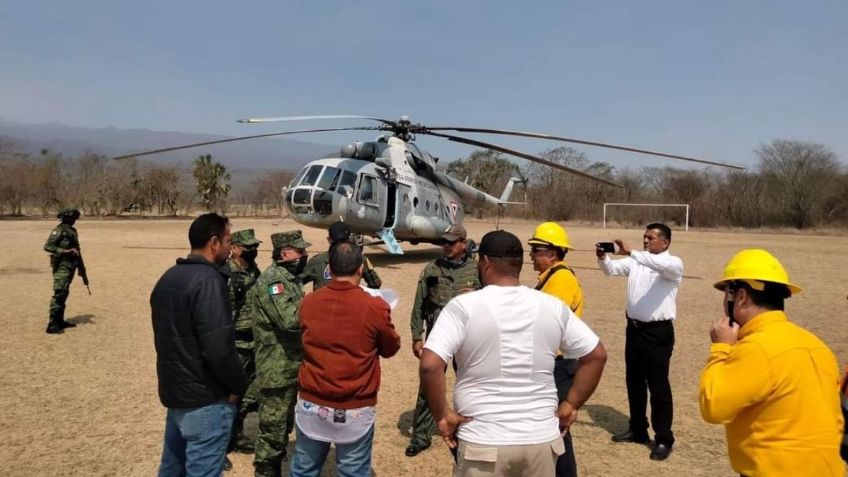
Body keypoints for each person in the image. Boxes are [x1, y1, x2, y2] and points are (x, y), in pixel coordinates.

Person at [420, 230, 607, 477]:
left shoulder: (463, 306)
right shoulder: (551, 306)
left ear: (484, 262)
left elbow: (430, 365)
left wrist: (442, 416)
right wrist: (571, 404)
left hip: (483, 441)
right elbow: (596, 355)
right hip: (540, 441)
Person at [699, 249, 844, 476]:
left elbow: (713, 407)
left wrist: (721, 348)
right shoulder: (817, 345)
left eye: (727, 291)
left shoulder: (757, 347)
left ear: (741, 296)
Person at [289, 241, 401, 476]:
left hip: (312, 403)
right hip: (354, 408)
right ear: (360, 268)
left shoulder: (308, 302)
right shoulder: (375, 307)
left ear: (330, 267)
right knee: (352, 471)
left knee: (303, 470)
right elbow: (390, 348)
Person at [150, 213, 248, 477]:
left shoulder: (169, 277)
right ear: (214, 242)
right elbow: (219, 348)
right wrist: (237, 387)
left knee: (172, 469)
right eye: (228, 240)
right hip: (205, 401)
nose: (231, 248)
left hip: (176, 396)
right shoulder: (209, 282)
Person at [596, 223, 682, 461]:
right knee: (633, 381)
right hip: (634, 329)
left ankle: (664, 438)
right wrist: (603, 258)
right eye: (644, 237)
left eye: (651, 238)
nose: (646, 241)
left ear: (665, 242)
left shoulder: (672, 264)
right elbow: (611, 270)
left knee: (658, 386)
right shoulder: (637, 260)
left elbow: (658, 265)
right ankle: (638, 429)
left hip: (658, 332)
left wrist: (632, 253)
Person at [406, 224, 481, 458]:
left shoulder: (478, 270)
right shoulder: (432, 269)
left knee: (470, 384)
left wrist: (476, 297)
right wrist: (417, 336)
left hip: (469, 337)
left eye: (451, 242)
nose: (446, 246)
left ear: (463, 243)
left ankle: (473, 430)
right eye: (443, 242)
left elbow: (494, 302)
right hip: (438, 335)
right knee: (429, 384)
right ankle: (421, 436)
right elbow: (418, 305)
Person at [248, 230, 310, 477]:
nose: (304, 255)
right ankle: (265, 470)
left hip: (289, 366)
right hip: (276, 369)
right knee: (272, 428)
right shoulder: (274, 282)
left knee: (283, 425)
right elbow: (291, 321)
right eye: (300, 251)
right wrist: (316, 307)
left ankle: (273, 464)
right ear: (285, 253)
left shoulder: (290, 279)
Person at [528, 221, 584, 477]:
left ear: (552, 253)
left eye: (536, 250)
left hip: (559, 365)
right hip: (554, 363)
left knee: (557, 426)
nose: (531, 255)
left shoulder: (560, 279)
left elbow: (548, 324)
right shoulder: (550, 278)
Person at [227, 229, 263, 458]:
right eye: (248, 247)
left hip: (254, 342)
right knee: (229, 394)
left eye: (255, 247)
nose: (253, 251)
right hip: (235, 344)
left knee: (249, 392)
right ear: (235, 248)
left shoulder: (254, 271)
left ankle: (237, 434)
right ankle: (223, 441)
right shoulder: (227, 274)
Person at [299, 221, 381, 291]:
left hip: (322, 306)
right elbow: (375, 283)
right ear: (348, 239)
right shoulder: (360, 259)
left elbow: (298, 282)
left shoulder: (317, 261)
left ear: (329, 240)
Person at [43, 208, 83, 334]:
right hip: (61, 266)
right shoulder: (59, 230)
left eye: (75, 219)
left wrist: (81, 267)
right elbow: (48, 246)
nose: (74, 221)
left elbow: (77, 249)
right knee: (59, 292)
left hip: (70, 265)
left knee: (64, 292)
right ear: (66, 218)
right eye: (72, 218)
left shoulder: (72, 231)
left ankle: (60, 320)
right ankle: (52, 324)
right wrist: (65, 251)